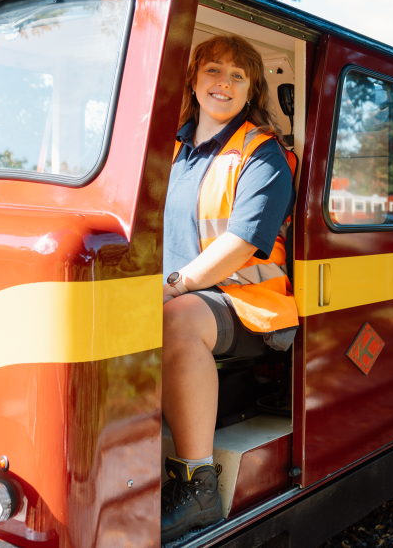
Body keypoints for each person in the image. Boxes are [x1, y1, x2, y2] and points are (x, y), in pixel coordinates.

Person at [160, 35, 298, 541]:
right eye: (214, 70)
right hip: (182, 292)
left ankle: (196, 486)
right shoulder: (168, 149)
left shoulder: (263, 155)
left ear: (251, 89)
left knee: (177, 320)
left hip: (247, 305)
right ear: (194, 79)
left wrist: (174, 285)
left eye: (238, 76)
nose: (224, 84)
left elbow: (242, 244)